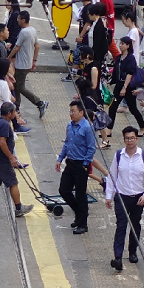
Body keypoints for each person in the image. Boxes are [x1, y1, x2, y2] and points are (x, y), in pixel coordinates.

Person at [105, 126, 144, 271]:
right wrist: (108, 196)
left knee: (135, 224)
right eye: (127, 138)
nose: (129, 141)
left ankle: (132, 251)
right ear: (123, 139)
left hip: (138, 198)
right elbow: (112, 176)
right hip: (122, 196)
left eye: (132, 138)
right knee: (121, 226)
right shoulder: (119, 156)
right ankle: (118, 257)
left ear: (137, 139)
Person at [56, 100, 96, 234]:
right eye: (70, 111)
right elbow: (67, 143)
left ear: (81, 112)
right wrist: (60, 158)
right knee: (64, 190)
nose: (71, 114)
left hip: (81, 165)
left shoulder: (87, 127)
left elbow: (91, 148)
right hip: (70, 163)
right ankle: (79, 213)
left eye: (73, 111)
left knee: (80, 194)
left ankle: (83, 223)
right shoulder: (69, 126)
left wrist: (85, 164)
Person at [107, 37, 144, 133]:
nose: (120, 45)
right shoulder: (119, 57)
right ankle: (109, 129)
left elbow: (130, 73)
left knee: (133, 108)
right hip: (119, 85)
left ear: (128, 46)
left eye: (122, 44)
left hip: (129, 87)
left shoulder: (131, 58)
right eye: (120, 43)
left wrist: (124, 87)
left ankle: (142, 127)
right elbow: (116, 71)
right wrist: (110, 81)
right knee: (112, 107)